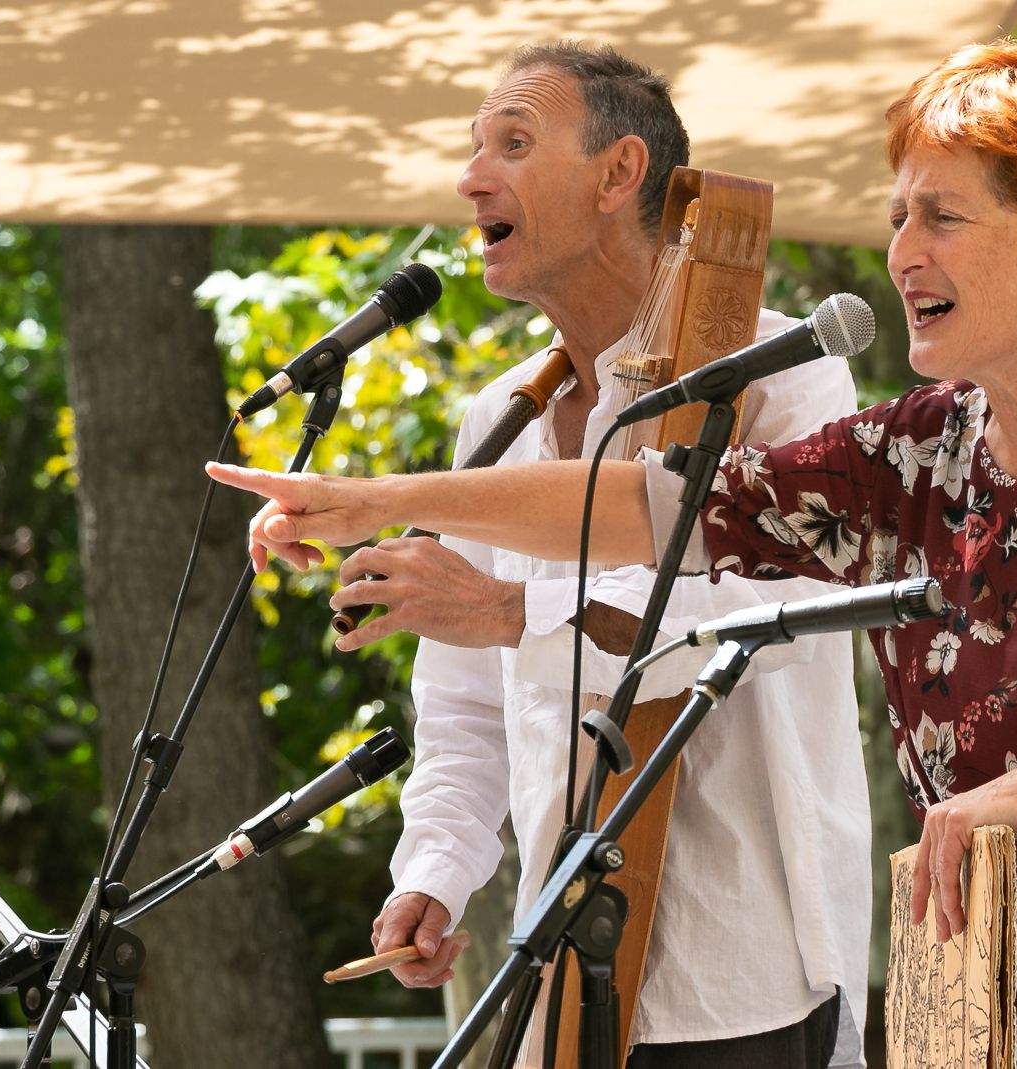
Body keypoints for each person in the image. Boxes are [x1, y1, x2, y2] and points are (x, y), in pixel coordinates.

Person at [214, 40, 1017, 1067]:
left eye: (942, 219)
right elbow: (655, 510)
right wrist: (376, 498)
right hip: (975, 1016)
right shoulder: (919, 452)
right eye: (899, 214)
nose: (902, 251)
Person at [331, 42, 871, 1069]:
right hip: (564, 973)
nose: (470, 177)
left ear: (620, 175)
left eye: (514, 143)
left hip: (741, 976)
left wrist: (507, 612)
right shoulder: (495, 418)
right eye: (473, 147)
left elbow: (754, 621)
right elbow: (461, 707)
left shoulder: (780, 373)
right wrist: (435, 872)